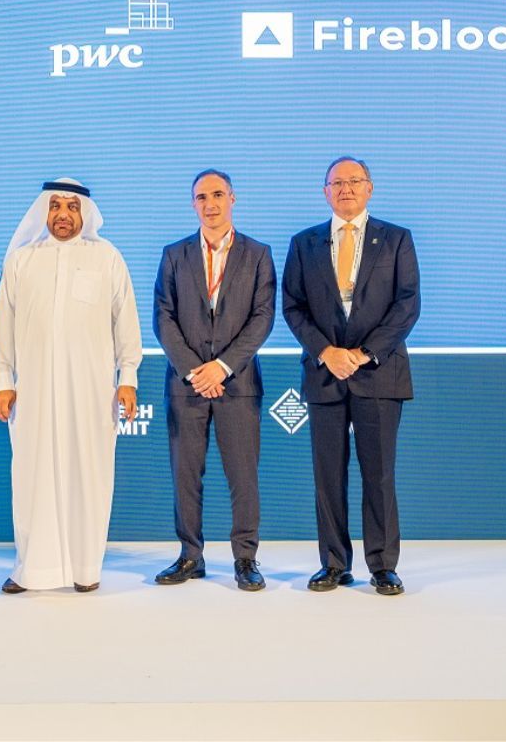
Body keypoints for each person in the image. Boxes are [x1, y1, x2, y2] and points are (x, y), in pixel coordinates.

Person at [0, 179, 142, 593]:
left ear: (84, 214)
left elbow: (126, 322)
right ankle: (33, 568)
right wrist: (4, 381)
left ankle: (85, 569)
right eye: (55, 205)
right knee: (32, 476)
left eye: (72, 207)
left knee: (88, 475)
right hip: (34, 391)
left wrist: (128, 379)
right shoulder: (21, 260)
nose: (62, 214)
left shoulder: (107, 257)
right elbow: (4, 325)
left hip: (91, 392)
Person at [281, 156, 420, 596]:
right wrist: (326, 352)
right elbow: (293, 307)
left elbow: (407, 305)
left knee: (378, 475)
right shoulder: (303, 243)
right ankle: (334, 563)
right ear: (325, 192)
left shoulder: (396, 239)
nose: (346, 189)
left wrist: (362, 354)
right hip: (325, 374)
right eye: (337, 183)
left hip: (378, 372)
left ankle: (383, 566)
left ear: (369, 188)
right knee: (328, 476)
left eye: (354, 181)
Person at [153, 169, 276, 591]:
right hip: (185, 385)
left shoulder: (258, 254)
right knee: (186, 474)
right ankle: (190, 555)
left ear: (232, 199)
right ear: (193, 204)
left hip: (237, 384)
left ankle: (245, 558)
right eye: (202, 197)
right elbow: (163, 318)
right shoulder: (174, 255)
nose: (210, 204)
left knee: (243, 476)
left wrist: (221, 367)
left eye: (218, 194)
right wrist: (194, 370)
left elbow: (262, 319)